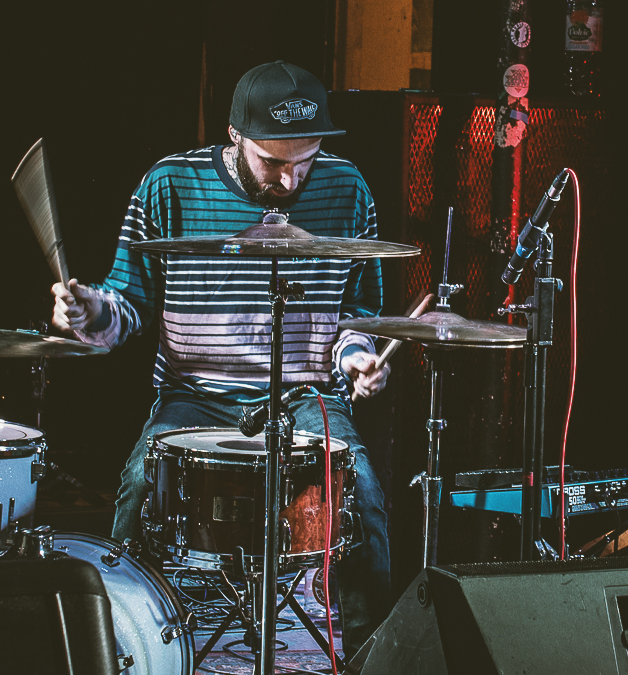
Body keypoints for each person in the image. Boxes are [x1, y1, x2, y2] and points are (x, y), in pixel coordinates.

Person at [49, 60, 394, 650]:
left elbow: (356, 320)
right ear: (234, 136)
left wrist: (357, 362)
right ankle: (121, 644)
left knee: (361, 486)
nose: (290, 182)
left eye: (304, 162)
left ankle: (372, 653)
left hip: (306, 392)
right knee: (137, 484)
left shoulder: (347, 188)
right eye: (274, 163)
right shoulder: (168, 185)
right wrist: (88, 314)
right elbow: (126, 305)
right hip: (195, 395)